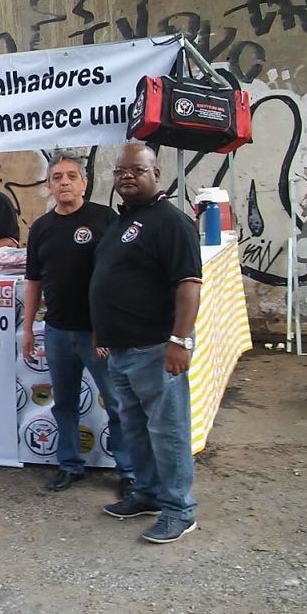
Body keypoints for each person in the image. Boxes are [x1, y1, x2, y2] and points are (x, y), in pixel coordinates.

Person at [91, 143, 201, 544]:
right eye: (120, 171)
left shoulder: (171, 222)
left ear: (156, 173)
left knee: (167, 432)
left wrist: (179, 340)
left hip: (155, 348)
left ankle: (179, 510)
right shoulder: (124, 221)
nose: (126, 176)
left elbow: (189, 284)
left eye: (136, 170)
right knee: (135, 428)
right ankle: (149, 494)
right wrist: (102, 328)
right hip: (121, 350)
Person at [23, 153, 134, 495]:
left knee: (116, 403)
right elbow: (33, 281)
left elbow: (120, 277)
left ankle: (128, 471)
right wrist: (27, 329)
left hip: (97, 333)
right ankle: (70, 465)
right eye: (57, 177)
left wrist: (110, 327)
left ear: (85, 183)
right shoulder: (40, 229)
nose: (65, 182)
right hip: (56, 331)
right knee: (65, 404)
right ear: (49, 185)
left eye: (72, 176)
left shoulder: (105, 219)